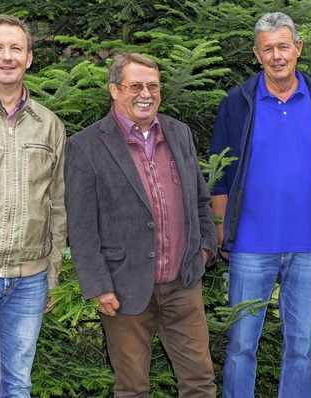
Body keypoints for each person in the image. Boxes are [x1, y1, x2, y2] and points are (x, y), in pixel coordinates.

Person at [65, 53, 217, 397]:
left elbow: (200, 200)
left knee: (200, 382)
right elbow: (82, 226)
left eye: (152, 85)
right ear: (115, 90)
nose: (145, 93)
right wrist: (97, 285)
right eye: (135, 86)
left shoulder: (179, 133)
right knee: (132, 388)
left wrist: (204, 249)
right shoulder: (86, 146)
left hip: (182, 282)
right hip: (122, 289)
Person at [209, 12, 311, 397]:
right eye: (268, 49)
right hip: (250, 245)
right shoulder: (238, 102)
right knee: (240, 346)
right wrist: (222, 231)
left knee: (300, 347)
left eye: (284, 46)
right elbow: (220, 171)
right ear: (257, 54)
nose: (277, 56)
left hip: (310, 245)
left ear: (298, 48)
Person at [0, 14, 67, 397]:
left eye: (16, 48)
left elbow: (58, 205)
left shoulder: (49, 125)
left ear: (28, 58)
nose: (6, 56)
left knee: (17, 387)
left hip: (29, 281)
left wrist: (52, 273)